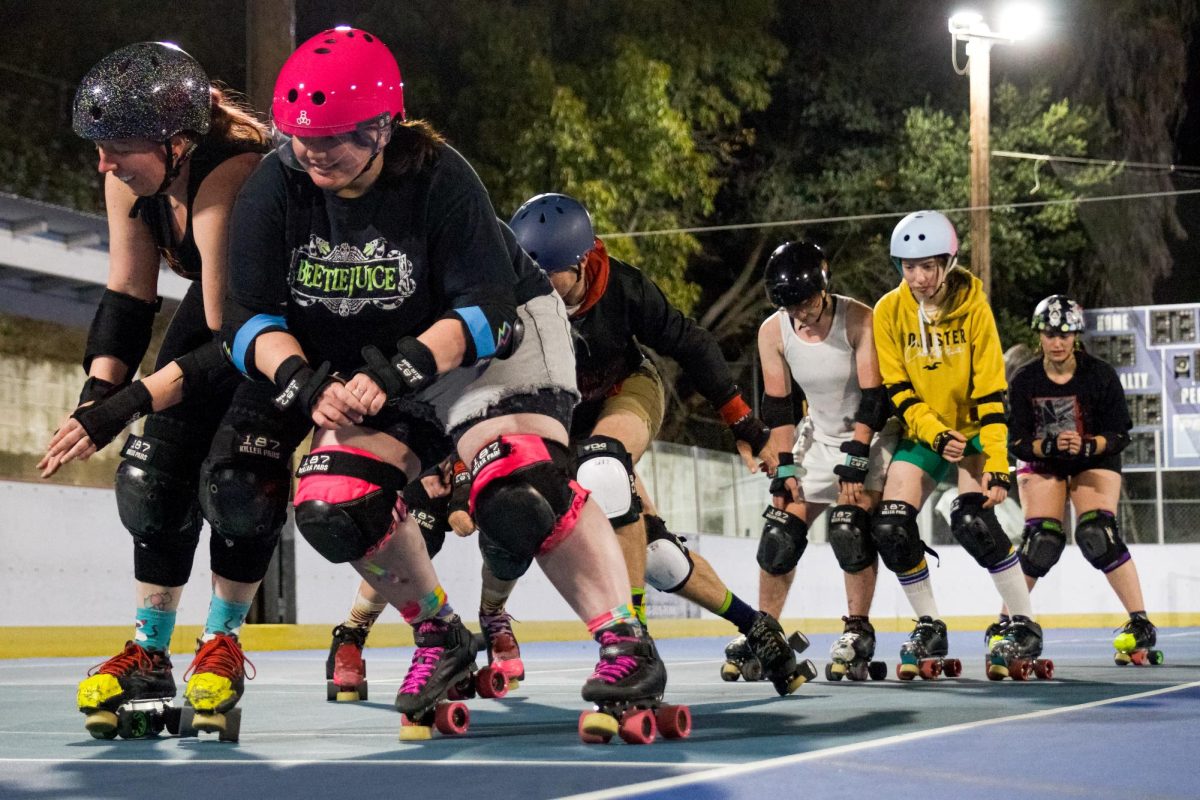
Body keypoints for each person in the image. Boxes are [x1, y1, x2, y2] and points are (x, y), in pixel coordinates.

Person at [221, 28, 663, 736]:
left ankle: (623, 643)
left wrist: (398, 372)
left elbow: (488, 314)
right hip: (380, 356)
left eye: (333, 137)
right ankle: (440, 634)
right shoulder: (276, 186)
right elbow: (243, 318)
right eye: (301, 136)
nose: (313, 153)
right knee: (335, 503)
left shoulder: (439, 178)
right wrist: (305, 383)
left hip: (490, 341)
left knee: (518, 486)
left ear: (383, 126)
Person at [39, 41, 272, 738]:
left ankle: (223, 642)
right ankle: (149, 649)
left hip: (273, 324)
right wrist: (95, 396)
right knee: (150, 475)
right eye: (101, 149)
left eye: (118, 150)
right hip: (219, 315)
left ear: (175, 143)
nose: (104, 165)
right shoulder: (131, 172)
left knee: (236, 478)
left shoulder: (234, 169)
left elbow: (229, 339)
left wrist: (132, 401)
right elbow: (128, 299)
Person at [500, 193, 812, 695]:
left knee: (603, 469)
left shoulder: (622, 286)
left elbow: (691, 344)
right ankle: (757, 627)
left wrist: (743, 424)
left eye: (550, 272)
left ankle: (633, 643)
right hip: (560, 417)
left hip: (625, 392)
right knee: (658, 551)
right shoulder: (517, 293)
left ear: (582, 263)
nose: (537, 284)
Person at [873, 210, 1040, 680]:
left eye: (928, 266)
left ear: (948, 262)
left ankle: (1024, 624)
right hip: (925, 433)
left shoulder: (974, 307)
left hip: (971, 431)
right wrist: (933, 432)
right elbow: (899, 389)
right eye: (908, 267)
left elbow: (991, 391)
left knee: (971, 518)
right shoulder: (889, 311)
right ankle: (929, 626)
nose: (919, 278)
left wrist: (998, 464)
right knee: (889, 525)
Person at [746, 240, 900, 681]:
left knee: (848, 526)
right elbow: (779, 409)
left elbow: (875, 398)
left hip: (870, 436)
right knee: (780, 531)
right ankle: (764, 630)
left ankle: (857, 630)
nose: (802, 315)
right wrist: (785, 468)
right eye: (791, 306)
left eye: (807, 303)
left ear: (824, 286)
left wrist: (855, 458)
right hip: (818, 435)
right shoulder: (773, 332)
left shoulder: (859, 318)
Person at [1007, 295, 1159, 665]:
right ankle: (1011, 622)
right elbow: (1016, 440)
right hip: (1044, 458)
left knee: (1097, 533)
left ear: (1076, 335)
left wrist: (1088, 443)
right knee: (1041, 538)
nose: (1057, 342)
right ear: (1039, 335)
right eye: (1049, 334)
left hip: (1093, 456)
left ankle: (1140, 623)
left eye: (1064, 334)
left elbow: (1121, 433)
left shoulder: (1099, 374)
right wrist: (1049, 445)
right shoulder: (1024, 379)